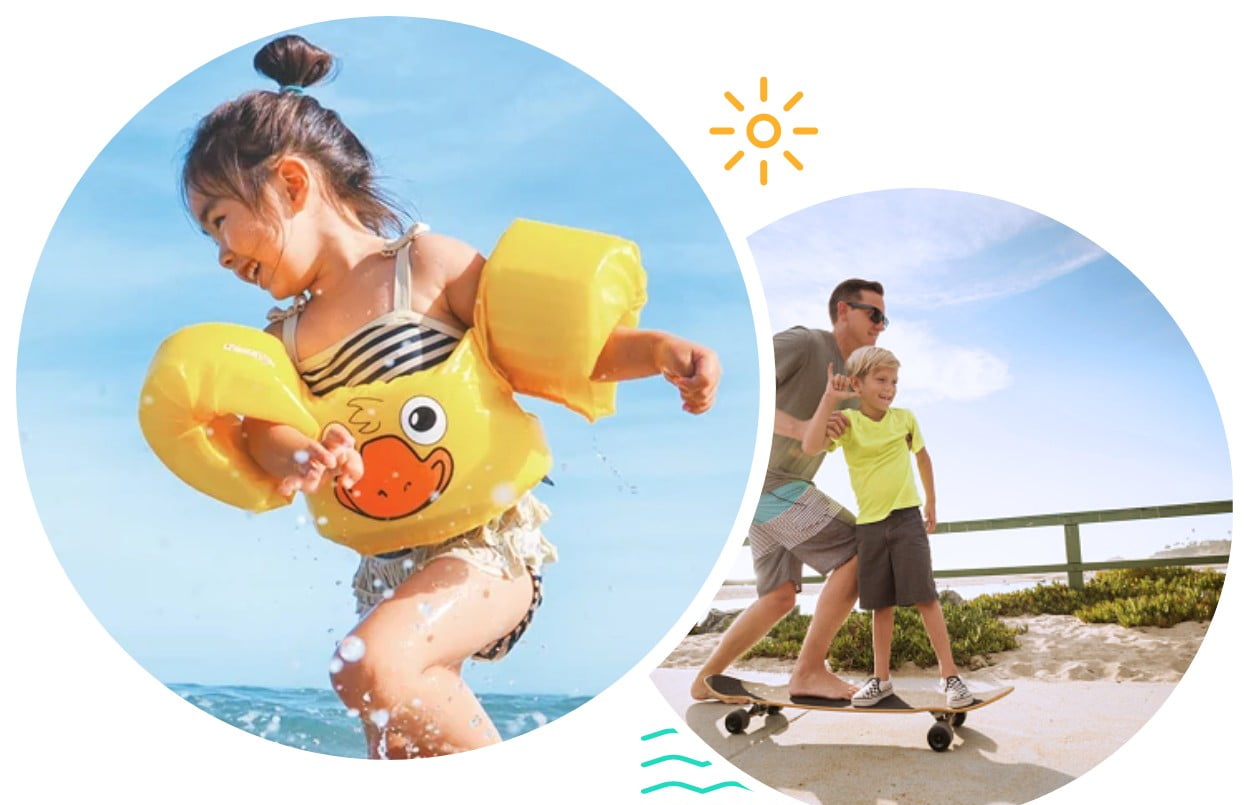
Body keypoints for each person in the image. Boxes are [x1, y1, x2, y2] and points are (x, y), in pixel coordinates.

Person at [180, 34, 721, 757]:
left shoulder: (425, 268)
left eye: (219, 219)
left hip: (487, 552)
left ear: (291, 184)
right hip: (386, 573)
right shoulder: (284, 338)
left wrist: (655, 352)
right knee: (397, 750)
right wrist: (303, 452)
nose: (218, 251)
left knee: (368, 663)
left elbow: (552, 349)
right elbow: (266, 434)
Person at [691, 278, 888, 701]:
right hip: (768, 484)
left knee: (779, 597)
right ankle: (809, 672)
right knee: (861, 549)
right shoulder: (806, 344)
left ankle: (705, 680)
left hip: (773, 493)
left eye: (884, 318)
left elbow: (832, 441)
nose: (881, 325)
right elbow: (738, 390)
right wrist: (800, 426)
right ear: (842, 311)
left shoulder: (853, 387)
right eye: (874, 314)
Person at [800, 346, 972, 708]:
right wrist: (830, 399)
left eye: (894, 381)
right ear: (857, 384)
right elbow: (811, 444)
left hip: (907, 518)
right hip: (870, 526)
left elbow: (923, 457)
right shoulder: (848, 422)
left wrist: (932, 503)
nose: (890, 388)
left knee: (926, 597)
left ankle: (950, 676)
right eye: (881, 380)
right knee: (881, 605)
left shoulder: (904, 419)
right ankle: (881, 680)